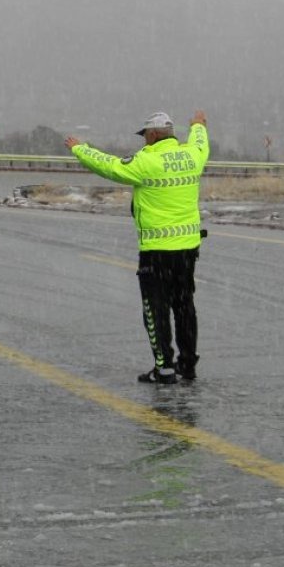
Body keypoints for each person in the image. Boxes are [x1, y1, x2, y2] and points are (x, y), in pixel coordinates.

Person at [65, 110, 209, 384]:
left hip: (157, 250)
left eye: (145, 136)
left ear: (153, 135)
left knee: (156, 310)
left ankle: (164, 368)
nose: (144, 141)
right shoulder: (192, 155)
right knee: (184, 307)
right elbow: (202, 141)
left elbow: (110, 166)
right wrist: (199, 125)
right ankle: (187, 365)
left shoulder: (147, 161)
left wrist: (80, 149)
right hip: (188, 249)